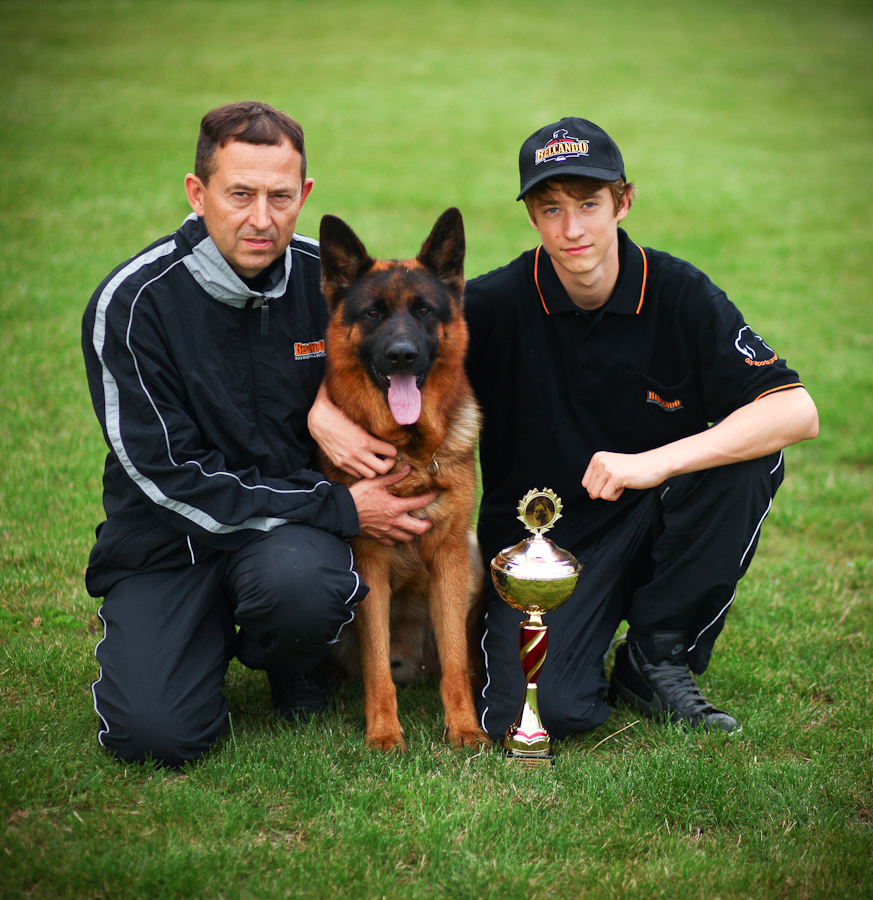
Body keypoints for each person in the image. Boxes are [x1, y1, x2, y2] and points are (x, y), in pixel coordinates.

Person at [309, 116, 819, 741]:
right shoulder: (490, 307)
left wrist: (652, 463)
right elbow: (381, 352)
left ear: (623, 202)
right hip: (537, 549)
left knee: (746, 458)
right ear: (531, 216)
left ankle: (657, 655)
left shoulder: (679, 293)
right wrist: (319, 414)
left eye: (589, 204)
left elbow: (797, 411)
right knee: (551, 712)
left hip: (645, 511)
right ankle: (582, 645)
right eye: (551, 208)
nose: (572, 228)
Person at [82, 102, 436, 767]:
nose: (261, 218)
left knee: (302, 582)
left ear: (303, 195)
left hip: (287, 542)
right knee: (155, 738)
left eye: (280, 196)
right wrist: (338, 506)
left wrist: (324, 409)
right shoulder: (134, 303)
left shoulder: (328, 284)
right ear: (198, 193)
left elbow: (402, 365)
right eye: (239, 194)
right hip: (171, 541)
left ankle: (295, 659)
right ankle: (183, 638)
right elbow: (168, 477)